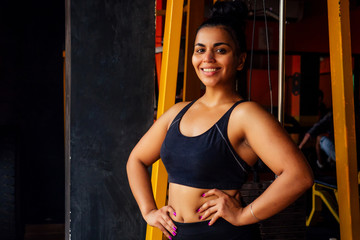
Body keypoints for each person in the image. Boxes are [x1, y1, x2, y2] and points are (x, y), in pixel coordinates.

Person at [126, 1, 313, 239]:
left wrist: (243, 215)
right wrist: (149, 211)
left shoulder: (245, 114)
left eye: (221, 50)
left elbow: (300, 176)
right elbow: (136, 160)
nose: (208, 58)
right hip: (177, 233)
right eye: (200, 49)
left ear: (240, 60)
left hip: (223, 234)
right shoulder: (177, 112)